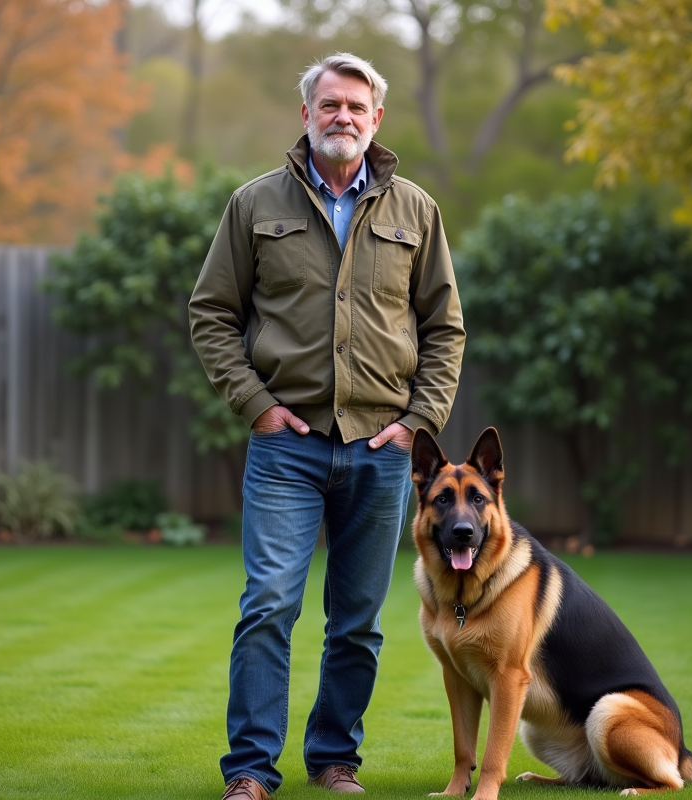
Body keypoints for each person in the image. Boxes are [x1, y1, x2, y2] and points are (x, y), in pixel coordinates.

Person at [189, 52, 465, 800]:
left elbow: (445, 328)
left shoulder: (416, 210)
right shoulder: (254, 204)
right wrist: (256, 405)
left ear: (377, 119)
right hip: (288, 447)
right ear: (306, 114)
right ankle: (251, 771)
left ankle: (335, 759)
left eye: (357, 106)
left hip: (382, 450)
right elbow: (211, 313)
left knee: (357, 622)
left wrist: (419, 420)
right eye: (330, 104)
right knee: (269, 606)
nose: (343, 117)